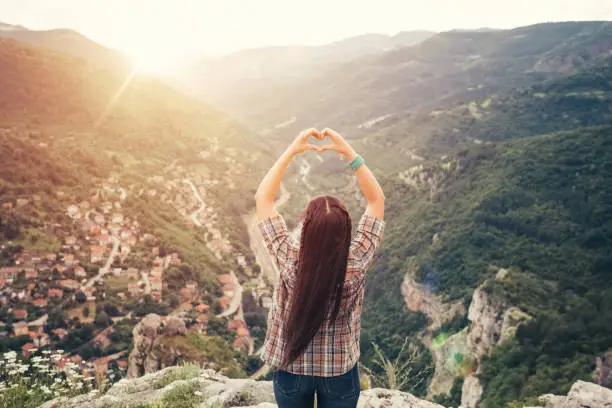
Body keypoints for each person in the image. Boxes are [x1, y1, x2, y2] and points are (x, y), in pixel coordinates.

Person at [255, 128, 385, 408]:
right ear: (347, 231)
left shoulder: (289, 259)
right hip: (338, 372)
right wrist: (349, 153)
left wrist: (291, 150)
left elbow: (263, 198)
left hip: (292, 369)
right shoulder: (358, 261)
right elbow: (377, 201)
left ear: (305, 230)